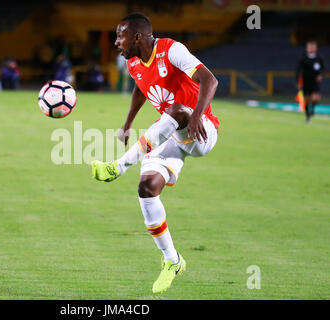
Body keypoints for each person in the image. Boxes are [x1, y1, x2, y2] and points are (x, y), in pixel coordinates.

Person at [91, 13, 219, 294]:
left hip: (201, 130)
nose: (115, 43)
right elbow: (141, 87)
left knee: (175, 111)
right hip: (171, 134)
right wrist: (127, 123)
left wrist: (197, 114)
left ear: (137, 37)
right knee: (147, 188)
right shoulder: (134, 61)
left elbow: (210, 80)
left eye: (119, 36)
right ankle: (173, 261)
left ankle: (118, 167)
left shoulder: (172, 50)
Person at [296, 40, 324, 123]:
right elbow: (298, 70)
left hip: (314, 82)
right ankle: (307, 116)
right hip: (305, 81)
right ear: (307, 48)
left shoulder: (319, 58)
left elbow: (322, 69)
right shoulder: (303, 58)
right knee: (306, 99)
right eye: (309, 47)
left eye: (313, 46)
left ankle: (313, 109)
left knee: (316, 98)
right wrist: (298, 81)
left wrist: (320, 75)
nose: (311, 48)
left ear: (316, 48)